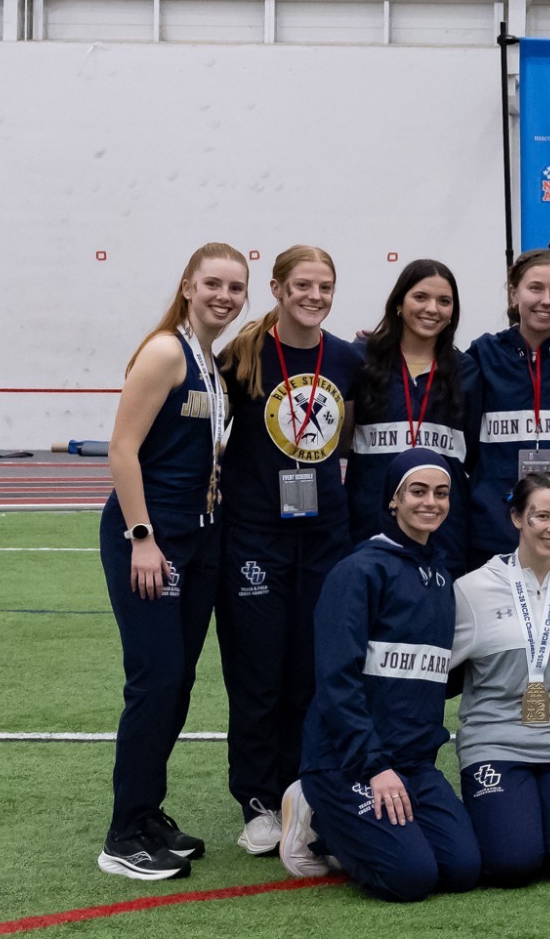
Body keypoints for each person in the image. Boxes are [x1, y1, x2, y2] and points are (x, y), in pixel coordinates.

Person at [97, 243, 249, 880]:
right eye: (212, 283)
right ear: (188, 286)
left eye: (236, 287)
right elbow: (122, 449)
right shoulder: (166, 350)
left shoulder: (211, 360)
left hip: (197, 537)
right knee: (155, 679)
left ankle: (148, 809)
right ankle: (122, 834)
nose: (224, 295)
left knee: (178, 682)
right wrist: (141, 536)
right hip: (149, 538)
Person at [276, 449, 479, 901]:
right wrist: (375, 765)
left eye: (441, 494)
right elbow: (336, 681)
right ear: (393, 499)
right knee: (411, 879)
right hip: (350, 761)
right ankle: (318, 818)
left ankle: (361, 830)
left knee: (462, 869)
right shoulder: (359, 571)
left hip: (412, 763)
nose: (431, 502)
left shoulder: (442, 577)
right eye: (418, 491)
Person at [216, 244, 362, 856]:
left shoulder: (347, 360)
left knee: (310, 669)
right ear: (277, 288)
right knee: (257, 674)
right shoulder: (242, 355)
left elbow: (346, 439)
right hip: (254, 535)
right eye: (302, 285)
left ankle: (300, 791)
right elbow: (210, 436)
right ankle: (255, 798)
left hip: (324, 535)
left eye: (324, 286)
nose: (314, 296)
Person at [448, 473, 550, 887]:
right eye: (541, 516)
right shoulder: (471, 590)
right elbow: (431, 672)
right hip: (496, 742)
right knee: (512, 865)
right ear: (517, 518)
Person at [463, 250, 550, 562]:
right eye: (535, 288)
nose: (546, 300)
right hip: (494, 528)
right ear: (514, 292)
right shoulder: (484, 354)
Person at [349, 260, 472, 575]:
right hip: (371, 525)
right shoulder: (360, 359)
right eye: (420, 297)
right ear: (399, 303)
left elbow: (475, 456)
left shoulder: (468, 371)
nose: (432, 308)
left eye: (444, 301)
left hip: (444, 533)